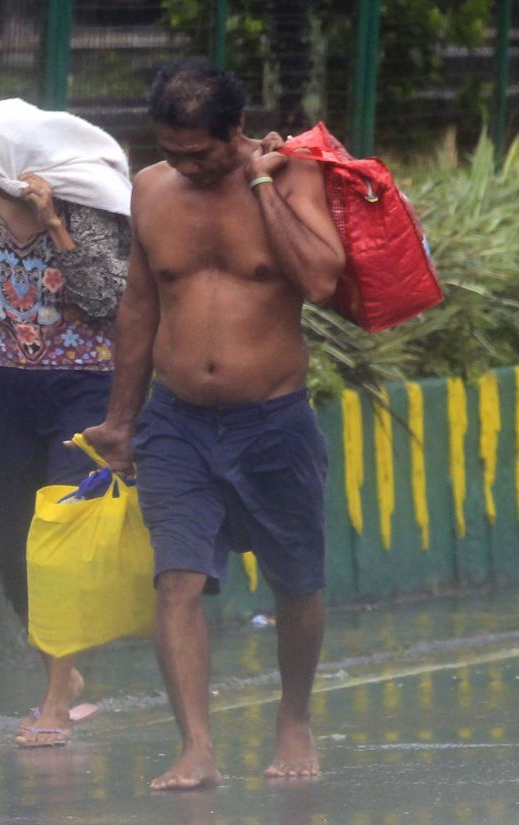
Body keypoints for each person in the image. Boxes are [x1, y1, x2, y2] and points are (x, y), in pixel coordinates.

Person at [80, 61, 345, 788]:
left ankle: (294, 717)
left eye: (201, 152)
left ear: (237, 130)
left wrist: (261, 182)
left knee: (296, 581)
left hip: (275, 420)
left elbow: (320, 278)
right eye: (172, 151)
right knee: (177, 581)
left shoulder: (290, 179)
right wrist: (119, 419)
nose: (186, 166)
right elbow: (139, 305)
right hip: (177, 421)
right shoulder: (150, 191)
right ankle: (196, 745)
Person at [0, 98, 132, 748]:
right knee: (16, 541)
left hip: (83, 387)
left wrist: (56, 226)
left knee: (61, 532)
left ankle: (52, 699)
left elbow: (109, 297)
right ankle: (60, 674)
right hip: (4, 387)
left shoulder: (84, 200)